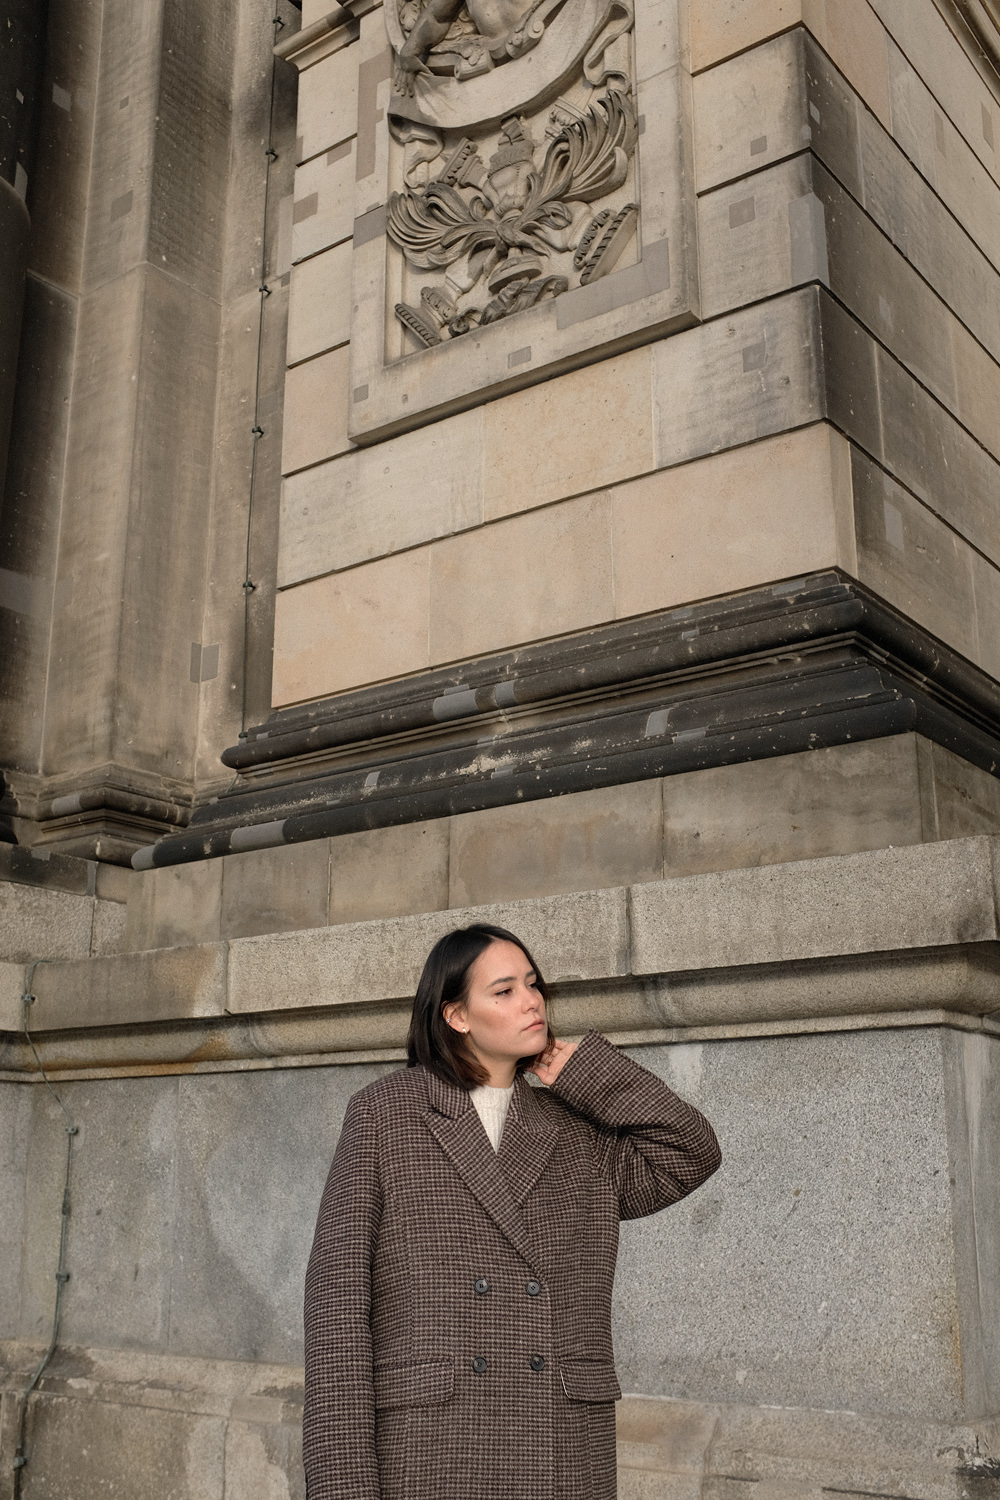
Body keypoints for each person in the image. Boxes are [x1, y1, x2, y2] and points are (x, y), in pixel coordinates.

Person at [303, 922, 721, 1500]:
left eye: (533, 985)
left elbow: (691, 1152)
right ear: (457, 1015)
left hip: (558, 1444)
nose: (531, 1002)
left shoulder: (576, 1129)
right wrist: (342, 1486)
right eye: (504, 991)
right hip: (430, 1445)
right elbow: (337, 1310)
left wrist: (591, 1075)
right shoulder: (386, 1114)